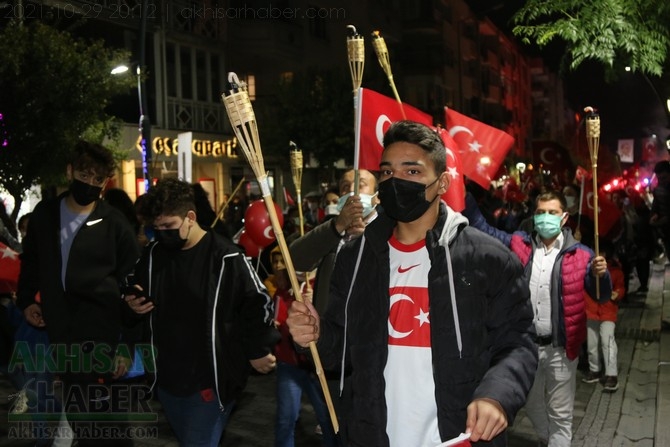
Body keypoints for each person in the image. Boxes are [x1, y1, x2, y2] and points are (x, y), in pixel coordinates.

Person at [287, 121, 538, 446]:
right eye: (388, 173)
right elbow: (341, 352)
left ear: (442, 182)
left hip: (457, 437)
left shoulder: (487, 259)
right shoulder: (356, 257)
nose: (397, 182)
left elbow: (518, 343)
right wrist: (315, 337)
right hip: (373, 434)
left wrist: (496, 396)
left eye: (413, 172)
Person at [124, 178, 279, 447]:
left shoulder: (225, 257)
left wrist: (257, 348)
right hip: (167, 380)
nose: (161, 233)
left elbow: (258, 302)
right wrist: (129, 301)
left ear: (190, 217)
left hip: (210, 381)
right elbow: (129, 285)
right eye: (156, 228)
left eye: (168, 226)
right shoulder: (153, 254)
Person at [463, 186, 611, 447]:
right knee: (530, 404)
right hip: (526, 347)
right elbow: (481, 228)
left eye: (552, 213)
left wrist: (601, 274)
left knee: (561, 413)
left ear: (564, 217)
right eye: (541, 213)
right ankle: (547, 438)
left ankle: (557, 441)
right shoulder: (518, 244)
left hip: (562, 348)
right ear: (534, 216)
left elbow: (600, 296)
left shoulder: (582, 254)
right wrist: (461, 190)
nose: (546, 218)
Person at [16, 140, 141, 446]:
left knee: (100, 419)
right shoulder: (45, 215)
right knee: (80, 412)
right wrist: (26, 300)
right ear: (70, 171)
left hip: (101, 334)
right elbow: (31, 262)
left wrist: (126, 344)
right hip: (60, 332)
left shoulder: (114, 223)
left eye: (98, 179)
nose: (90, 184)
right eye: (84, 176)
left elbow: (134, 285)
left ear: (105, 181)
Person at [267, 247, 338, 447]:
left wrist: (317, 300)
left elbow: (332, 327)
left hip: (316, 367)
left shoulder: (323, 285)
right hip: (289, 365)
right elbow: (279, 320)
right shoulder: (283, 289)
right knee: (285, 419)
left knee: (327, 420)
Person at [582, 243, 624, 392]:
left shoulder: (615, 271)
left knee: (608, 342)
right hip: (591, 311)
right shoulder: (587, 269)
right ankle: (595, 369)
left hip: (608, 311)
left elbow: (621, 287)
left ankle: (611, 374)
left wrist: (617, 294)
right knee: (592, 344)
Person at [650, 160, 670, 261]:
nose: (662, 181)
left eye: (664, 178)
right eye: (659, 178)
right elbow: (655, 208)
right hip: (666, 233)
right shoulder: (658, 191)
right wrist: (654, 216)